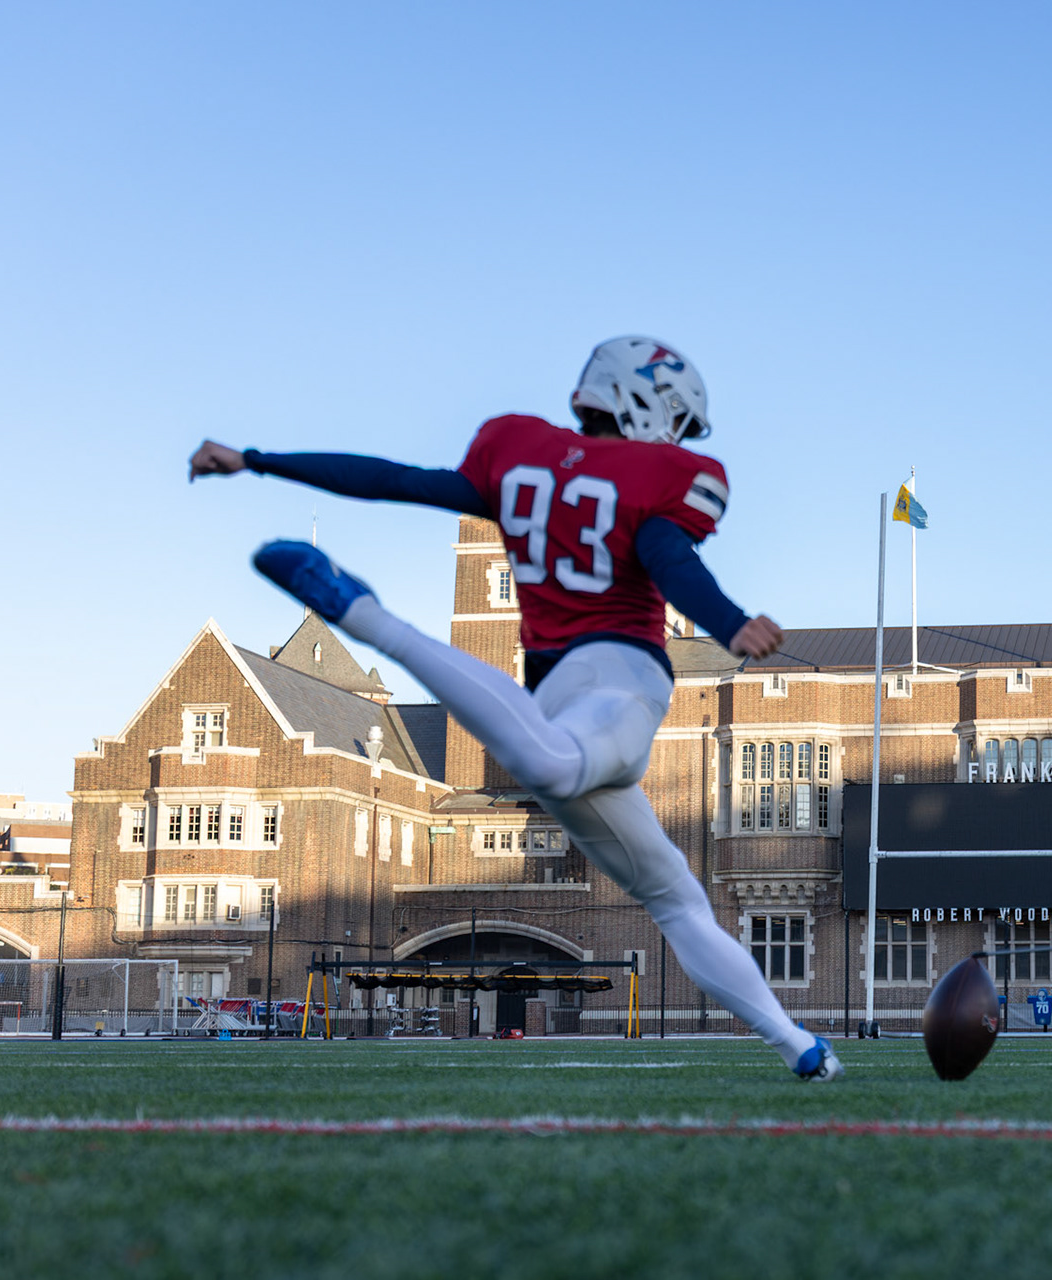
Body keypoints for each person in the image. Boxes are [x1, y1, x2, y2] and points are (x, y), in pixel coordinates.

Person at [187, 335, 841, 1081]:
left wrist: (256, 460)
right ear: (649, 402)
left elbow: (397, 481)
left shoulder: (521, 453)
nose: (680, 439)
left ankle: (799, 1046)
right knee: (566, 778)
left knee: (673, 893)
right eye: (678, 421)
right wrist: (728, 622)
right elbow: (669, 555)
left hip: (553, 695)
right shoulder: (665, 475)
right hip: (622, 677)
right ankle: (372, 620)